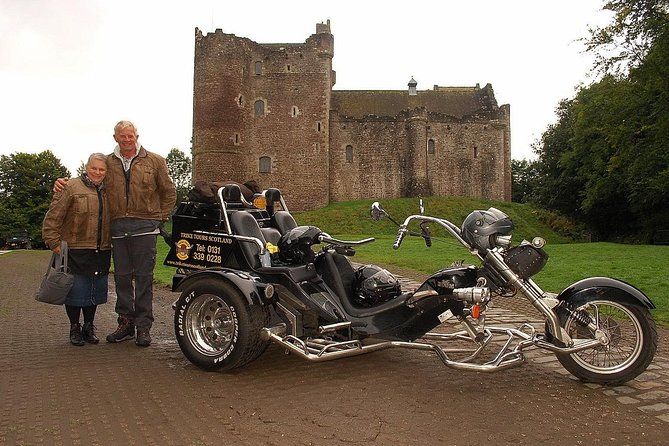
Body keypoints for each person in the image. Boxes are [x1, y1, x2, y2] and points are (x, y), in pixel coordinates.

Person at [55, 121, 176, 347]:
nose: (127, 139)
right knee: (121, 279)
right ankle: (126, 323)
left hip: (145, 227)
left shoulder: (155, 161)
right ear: (115, 138)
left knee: (143, 279)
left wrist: (159, 217)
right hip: (118, 228)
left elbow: (169, 192)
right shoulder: (108, 163)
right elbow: (92, 180)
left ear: (137, 136)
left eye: (130, 135)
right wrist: (63, 183)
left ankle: (143, 328)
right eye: (122, 136)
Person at [43, 153, 111, 346]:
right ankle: (75, 327)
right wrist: (53, 242)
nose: (97, 172)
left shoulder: (109, 191)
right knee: (74, 291)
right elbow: (53, 216)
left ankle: (89, 326)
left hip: (101, 248)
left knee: (94, 291)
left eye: (101, 169)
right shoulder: (70, 187)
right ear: (86, 167)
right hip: (74, 248)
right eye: (94, 168)